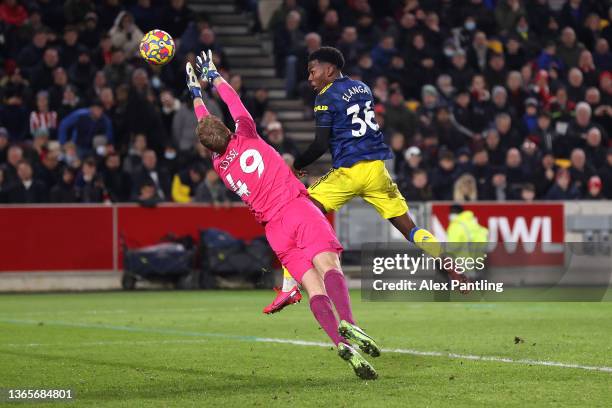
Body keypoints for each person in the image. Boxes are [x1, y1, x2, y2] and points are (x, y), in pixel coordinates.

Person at [186, 50, 379, 380]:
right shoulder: (246, 133)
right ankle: (350, 323)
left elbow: (207, 127)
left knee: (314, 288)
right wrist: (214, 78)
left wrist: (195, 96)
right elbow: (233, 104)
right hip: (296, 210)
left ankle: (340, 344)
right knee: (329, 266)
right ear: (228, 129)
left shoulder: (219, 166)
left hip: (274, 230)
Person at [266, 47, 468, 314]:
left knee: (296, 213)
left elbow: (320, 143)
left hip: (348, 172)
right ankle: (448, 263)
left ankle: (290, 285)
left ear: (329, 70)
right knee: (408, 226)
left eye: (313, 72)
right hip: (377, 170)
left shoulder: (325, 97)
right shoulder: (363, 88)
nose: (311, 79)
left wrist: (298, 164)